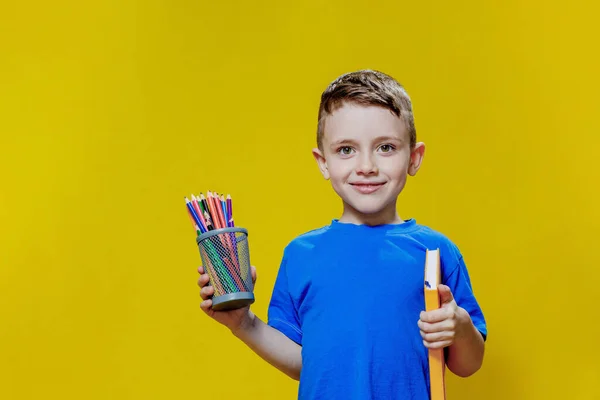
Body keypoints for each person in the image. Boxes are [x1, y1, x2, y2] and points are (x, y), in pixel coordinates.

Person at [197, 69, 487, 400]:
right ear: (323, 162)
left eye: (386, 147)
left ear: (414, 157)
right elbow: (307, 363)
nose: (366, 166)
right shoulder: (301, 255)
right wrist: (243, 324)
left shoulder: (435, 252)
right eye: (346, 150)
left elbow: (468, 364)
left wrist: (460, 325)